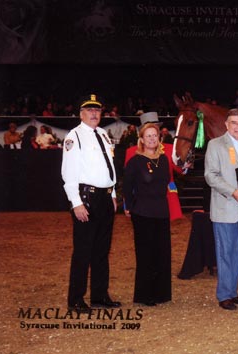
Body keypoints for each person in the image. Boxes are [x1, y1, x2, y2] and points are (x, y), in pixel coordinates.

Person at [61, 94, 121, 313]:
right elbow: (68, 173)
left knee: (102, 250)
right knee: (83, 251)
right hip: (87, 198)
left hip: (105, 197)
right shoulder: (73, 137)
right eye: (89, 110)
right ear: (81, 114)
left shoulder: (104, 134)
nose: (95, 114)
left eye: (97, 110)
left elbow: (109, 167)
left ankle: (99, 295)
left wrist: (113, 192)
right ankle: (75, 299)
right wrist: (76, 203)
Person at [204, 108, 238, 310]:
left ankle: (233, 292)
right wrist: (232, 192)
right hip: (225, 206)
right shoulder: (215, 145)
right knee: (225, 252)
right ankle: (224, 294)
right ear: (226, 125)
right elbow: (211, 175)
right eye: (234, 123)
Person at [123, 123, 172, 306]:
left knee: (162, 253)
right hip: (142, 213)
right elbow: (127, 187)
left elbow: (166, 182)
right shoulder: (135, 161)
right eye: (148, 136)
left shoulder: (164, 159)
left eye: (155, 135)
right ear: (142, 140)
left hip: (161, 211)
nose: (152, 138)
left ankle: (161, 293)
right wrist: (130, 206)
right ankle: (145, 295)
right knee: (146, 254)